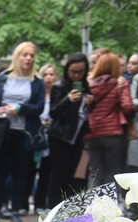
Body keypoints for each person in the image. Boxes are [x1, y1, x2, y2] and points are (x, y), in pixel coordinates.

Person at [0, 41, 45, 222]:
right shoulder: (3, 79)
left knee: (20, 173)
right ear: (17, 56)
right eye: (24, 54)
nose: (28, 58)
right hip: (2, 132)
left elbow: (39, 107)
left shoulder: (37, 82)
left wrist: (20, 108)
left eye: (31, 55)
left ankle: (16, 209)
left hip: (24, 133)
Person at [46, 53, 92, 208]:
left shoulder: (86, 87)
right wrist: (67, 100)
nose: (76, 75)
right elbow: (53, 112)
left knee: (72, 176)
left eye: (80, 71)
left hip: (78, 137)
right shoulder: (59, 87)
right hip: (60, 137)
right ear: (67, 70)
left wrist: (92, 102)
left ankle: (66, 211)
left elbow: (86, 115)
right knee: (58, 176)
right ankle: (53, 210)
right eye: (73, 71)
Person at [85, 52, 135, 189]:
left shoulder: (89, 84)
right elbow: (127, 106)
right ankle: (108, 208)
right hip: (113, 133)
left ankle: (92, 208)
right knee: (112, 171)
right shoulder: (120, 83)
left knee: (94, 172)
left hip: (91, 133)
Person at [31, 63, 56, 213]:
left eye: (51, 74)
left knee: (48, 172)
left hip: (52, 137)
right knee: (33, 170)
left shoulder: (57, 93)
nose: (48, 78)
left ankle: (44, 202)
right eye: (45, 74)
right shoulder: (38, 93)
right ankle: (35, 201)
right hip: (38, 137)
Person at [126, 52, 138, 174]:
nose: (129, 66)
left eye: (134, 63)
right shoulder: (132, 79)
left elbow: (132, 101)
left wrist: (132, 103)